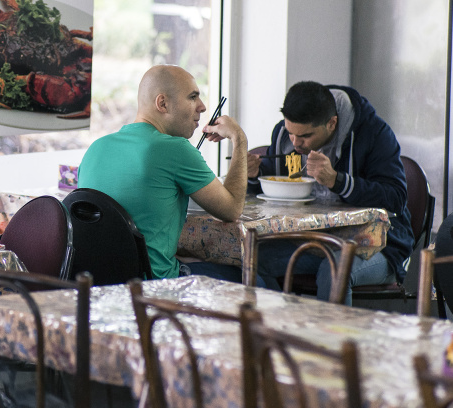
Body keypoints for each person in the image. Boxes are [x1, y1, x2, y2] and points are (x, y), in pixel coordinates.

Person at [77, 65, 250, 279]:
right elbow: (232, 209)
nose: (202, 107)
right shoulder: (175, 149)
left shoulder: (95, 148)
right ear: (162, 103)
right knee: (250, 275)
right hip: (155, 285)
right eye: (193, 97)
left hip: (97, 283)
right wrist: (239, 139)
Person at [248, 81, 413, 305]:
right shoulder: (285, 135)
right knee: (252, 259)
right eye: (290, 133)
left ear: (332, 123)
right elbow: (277, 186)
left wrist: (338, 181)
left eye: (305, 136)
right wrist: (254, 174)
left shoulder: (373, 133)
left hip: (378, 244)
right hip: (312, 238)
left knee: (334, 269)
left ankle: (329, 330)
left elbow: (396, 198)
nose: (295, 143)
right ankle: (285, 322)